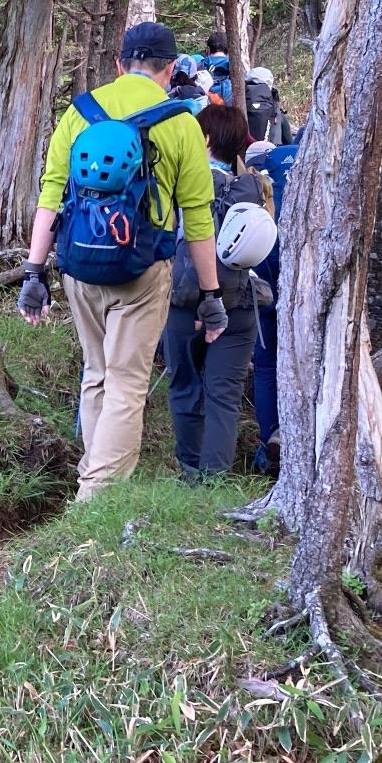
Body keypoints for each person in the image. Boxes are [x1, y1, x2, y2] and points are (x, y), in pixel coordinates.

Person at [17, 21, 225, 500]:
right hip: (143, 270)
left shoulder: (80, 113)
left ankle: (93, 475)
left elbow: (52, 193)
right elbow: (197, 218)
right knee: (128, 383)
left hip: (79, 266)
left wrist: (34, 271)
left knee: (96, 374)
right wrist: (211, 294)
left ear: (120, 64)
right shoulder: (180, 123)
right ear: (170, 69)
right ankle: (96, 499)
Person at [162, 105, 271, 482]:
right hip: (240, 303)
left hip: (184, 300)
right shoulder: (255, 188)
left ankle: (190, 471)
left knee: (185, 384)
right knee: (223, 393)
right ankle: (216, 477)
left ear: (204, 139)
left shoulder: (183, 183)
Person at [246, 135, 300, 474]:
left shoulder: (271, 163)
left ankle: (268, 442)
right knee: (302, 360)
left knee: (265, 363)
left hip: (265, 265)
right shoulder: (322, 158)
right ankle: (299, 438)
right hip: (305, 274)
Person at [242, 65, 293, 145]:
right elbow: (289, 141)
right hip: (271, 154)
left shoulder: (238, 100)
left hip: (242, 154)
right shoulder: (275, 109)